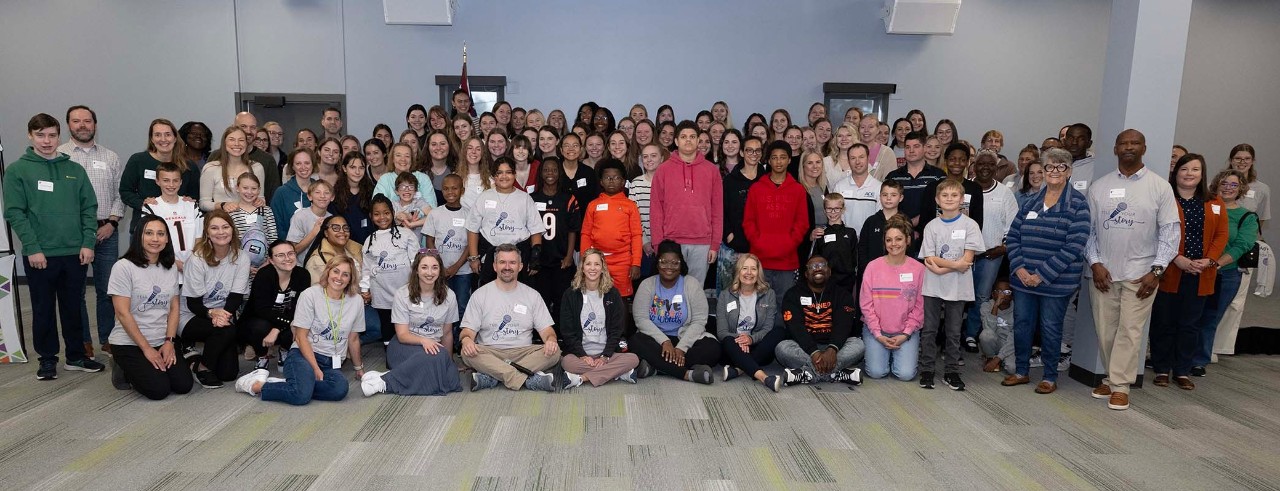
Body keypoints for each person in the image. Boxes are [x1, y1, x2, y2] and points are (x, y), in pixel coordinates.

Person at [4, 113, 105, 379]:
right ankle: (47, 359)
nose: (46, 141)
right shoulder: (18, 170)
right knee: (43, 309)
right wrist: (32, 247)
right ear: (30, 136)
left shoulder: (74, 169)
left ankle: (75, 356)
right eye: (40, 135)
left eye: (51, 135)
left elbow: (89, 208)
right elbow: (15, 212)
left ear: (58, 136)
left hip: (75, 253)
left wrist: (87, 243)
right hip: (40, 255)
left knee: (74, 307)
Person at [1085, 129, 1180, 411]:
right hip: (1104, 273)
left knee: (1130, 330)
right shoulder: (1099, 187)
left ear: (1144, 148)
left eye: (1134, 143)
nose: (1129, 147)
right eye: (1124, 143)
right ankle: (1111, 377)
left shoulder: (1160, 187)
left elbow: (1170, 232)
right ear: (1115, 149)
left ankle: (1120, 386)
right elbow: (1087, 232)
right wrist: (1095, 263)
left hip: (1141, 273)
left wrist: (1158, 269)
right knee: (1106, 331)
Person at [1003, 147, 1091, 394]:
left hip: (1056, 282)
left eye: (1060, 167)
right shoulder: (1030, 201)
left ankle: (1050, 376)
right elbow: (1013, 237)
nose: (1054, 171)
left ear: (1069, 171)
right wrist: (1020, 269)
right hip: (1023, 280)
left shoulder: (1078, 204)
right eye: (1049, 167)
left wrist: (1041, 274)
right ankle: (1021, 371)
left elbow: (1075, 245)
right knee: (1022, 325)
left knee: (1051, 327)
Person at [235, 255, 366, 404]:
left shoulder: (356, 301)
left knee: (339, 390)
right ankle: (257, 385)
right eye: (336, 271)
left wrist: (358, 367)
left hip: (331, 361)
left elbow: (353, 338)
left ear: (351, 278)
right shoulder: (310, 295)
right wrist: (315, 368)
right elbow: (301, 337)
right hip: (303, 355)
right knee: (300, 396)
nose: (339, 278)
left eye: (345, 274)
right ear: (328, 272)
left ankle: (296, 383)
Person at [1150, 153, 1228, 391]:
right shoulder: (1166, 199)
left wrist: (1209, 260)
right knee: (1164, 322)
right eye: (1184, 169)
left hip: (1201, 273)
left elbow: (1221, 235)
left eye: (1195, 169)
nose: (1189, 174)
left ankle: (1182, 370)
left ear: (1202, 174)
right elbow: (1155, 233)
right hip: (1171, 270)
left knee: (1190, 325)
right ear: (1176, 172)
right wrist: (1177, 259)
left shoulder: (1214, 202)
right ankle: (1162, 368)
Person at [60, 105, 124, 358]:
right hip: (72, 234)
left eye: (87, 121)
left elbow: (120, 194)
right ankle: (82, 341)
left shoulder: (110, 157)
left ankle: (109, 338)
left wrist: (113, 222)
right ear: (68, 125)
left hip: (106, 230)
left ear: (95, 124)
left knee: (108, 289)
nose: (82, 125)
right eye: (76, 121)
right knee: (74, 291)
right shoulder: (59, 156)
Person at [105, 215, 190, 397]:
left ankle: (147, 366)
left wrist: (169, 342)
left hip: (160, 338)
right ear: (139, 236)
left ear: (167, 239)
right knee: (158, 390)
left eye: (161, 234)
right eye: (149, 233)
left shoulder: (170, 267)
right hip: (129, 341)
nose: (155, 239)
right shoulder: (123, 267)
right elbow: (122, 313)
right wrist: (146, 349)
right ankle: (121, 366)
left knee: (183, 385)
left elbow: (174, 308)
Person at [360, 251, 463, 396]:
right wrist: (424, 341)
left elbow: (446, 333)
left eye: (434, 267)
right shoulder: (402, 294)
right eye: (424, 267)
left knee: (452, 381)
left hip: (435, 349)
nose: (429, 272)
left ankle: (389, 375)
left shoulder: (449, 295)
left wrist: (448, 360)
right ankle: (384, 382)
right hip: (405, 346)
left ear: (440, 270)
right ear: (416, 270)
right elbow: (402, 335)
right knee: (437, 363)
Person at [459, 244, 559, 392]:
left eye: (512, 262)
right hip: (490, 351)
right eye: (502, 262)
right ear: (494, 266)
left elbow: (548, 332)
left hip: (523, 352)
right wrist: (467, 340)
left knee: (555, 353)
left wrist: (551, 340)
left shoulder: (532, 295)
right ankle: (527, 378)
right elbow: (466, 333)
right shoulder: (480, 295)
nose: (507, 267)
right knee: (466, 353)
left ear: (520, 266)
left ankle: (493, 375)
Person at [917, 179, 985, 391]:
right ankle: (927, 369)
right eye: (944, 196)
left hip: (958, 286)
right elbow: (929, 257)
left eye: (954, 196)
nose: (949, 199)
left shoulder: (970, 225)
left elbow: (968, 259)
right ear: (937, 200)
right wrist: (953, 265)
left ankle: (952, 371)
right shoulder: (931, 226)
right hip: (933, 285)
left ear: (962, 200)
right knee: (929, 329)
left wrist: (943, 267)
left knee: (954, 331)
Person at [629, 240, 719, 384]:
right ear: (657, 263)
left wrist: (681, 348)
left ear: (681, 264)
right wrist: (664, 341)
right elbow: (641, 319)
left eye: (674, 263)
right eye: (663, 262)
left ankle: (656, 368)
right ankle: (687, 374)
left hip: (684, 337)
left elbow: (699, 321)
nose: (669, 267)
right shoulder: (647, 285)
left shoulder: (691, 284)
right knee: (635, 342)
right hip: (656, 340)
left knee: (713, 348)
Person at [179, 210, 251, 388]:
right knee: (227, 331)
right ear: (207, 233)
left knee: (228, 374)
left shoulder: (241, 257)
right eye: (215, 228)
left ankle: (193, 357)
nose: (221, 232)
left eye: (225, 227)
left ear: (232, 229)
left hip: (223, 315)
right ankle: (201, 367)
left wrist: (223, 315)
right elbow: (193, 303)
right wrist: (212, 314)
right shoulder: (196, 259)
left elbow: (236, 296)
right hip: (191, 315)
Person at [1196, 170, 1257, 376]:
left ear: (1241, 189)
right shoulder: (1205, 207)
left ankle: (1198, 360)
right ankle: (1178, 356)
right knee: (1188, 315)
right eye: (1224, 183)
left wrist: (1216, 263)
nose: (1228, 187)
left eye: (1234, 184)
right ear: (1216, 184)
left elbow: (1242, 245)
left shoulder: (1246, 217)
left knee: (1210, 318)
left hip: (1226, 274)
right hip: (1196, 270)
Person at [650, 121, 723, 285]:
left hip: (702, 242)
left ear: (698, 140)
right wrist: (658, 244)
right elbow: (656, 210)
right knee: (671, 291)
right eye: (683, 137)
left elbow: (717, 210)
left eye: (692, 137)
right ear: (676, 141)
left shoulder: (711, 171)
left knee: (695, 292)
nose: (688, 140)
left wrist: (714, 244)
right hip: (671, 242)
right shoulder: (663, 170)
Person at [1213, 144, 1267, 358]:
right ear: (1231, 159)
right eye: (1238, 157)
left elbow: (1260, 222)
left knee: (1234, 304)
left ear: (1252, 161)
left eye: (1246, 158)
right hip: (1215, 255)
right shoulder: (1216, 188)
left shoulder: (1262, 189)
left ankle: (1221, 346)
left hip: (1240, 253)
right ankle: (1208, 345)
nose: (1242, 161)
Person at [775, 255, 864, 385]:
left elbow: (843, 325)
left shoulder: (842, 294)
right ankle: (835, 374)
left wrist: (832, 349)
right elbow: (795, 327)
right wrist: (814, 352)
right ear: (806, 274)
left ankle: (808, 374)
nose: (817, 269)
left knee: (858, 344)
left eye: (822, 265)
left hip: (835, 347)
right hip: (805, 348)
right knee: (782, 348)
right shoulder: (793, 294)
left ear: (829, 271)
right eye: (812, 267)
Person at [962, 151, 1019, 352]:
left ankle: (971, 334)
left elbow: (1013, 225)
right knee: (961, 294)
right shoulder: (965, 188)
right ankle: (955, 333)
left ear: (996, 168)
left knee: (982, 296)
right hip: (964, 253)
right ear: (974, 166)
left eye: (990, 164)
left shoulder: (1004, 193)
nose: (985, 167)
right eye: (980, 164)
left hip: (991, 255)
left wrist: (1003, 248)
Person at [559, 249, 640, 388]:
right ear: (582, 268)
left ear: (602, 268)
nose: (592, 268)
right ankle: (618, 374)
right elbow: (567, 331)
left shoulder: (612, 294)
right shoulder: (571, 294)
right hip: (581, 356)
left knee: (633, 359)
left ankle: (581, 378)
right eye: (588, 264)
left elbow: (617, 330)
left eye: (597, 264)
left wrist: (605, 356)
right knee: (566, 362)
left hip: (607, 355)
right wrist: (583, 355)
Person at [860, 215, 925, 381]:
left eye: (898, 239)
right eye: (889, 240)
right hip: (876, 331)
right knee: (876, 372)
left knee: (905, 374)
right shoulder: (873, 267)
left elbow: (920, 307)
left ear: (908, 240)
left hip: (905, 332)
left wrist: (906, 334)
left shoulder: (918, 269)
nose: (893, 244)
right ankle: (882, 352)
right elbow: (866, 305)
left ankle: (899, 351)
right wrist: (877, 334)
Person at [744, 140, 810, 300]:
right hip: (760, 259)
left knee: (785, 304)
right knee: (759, 302)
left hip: (787, 260)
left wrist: (789, 243)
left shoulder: (798, 190)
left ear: (789, 160)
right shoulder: (756, 188)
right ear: (768, 160)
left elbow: (802, 223)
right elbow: (748, 221)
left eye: (782, 157)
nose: (778, 161)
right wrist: (759, 242)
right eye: (774, 157)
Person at [466, 157, 547, 286]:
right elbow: (472, 229)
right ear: (494, 176)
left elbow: (536, 230)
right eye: (499, 173)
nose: (504, 176)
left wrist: (535, 258)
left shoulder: (525, 198)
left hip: (518, 257)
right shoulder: (484, 197)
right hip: (490, 257)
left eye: (508, 172)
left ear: (514, 175)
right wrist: (474, 257)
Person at [715, 254, 784, 391]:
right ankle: (764, 378)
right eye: (744, 268)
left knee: (779, 332)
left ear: (759, 272)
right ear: (738, 271)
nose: (749, 273)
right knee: (728, 340)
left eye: (753, 269)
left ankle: (739, 369)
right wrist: (741, 340)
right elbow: (722, 332)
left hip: (757, 347)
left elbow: (767, 328)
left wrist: (751, 339)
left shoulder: (768, 294)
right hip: (733, 349)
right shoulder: (725, 295)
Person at [242, 240, 310, 372]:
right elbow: (261, 309)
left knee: (298, 325)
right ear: (272, 260)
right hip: (261, 318)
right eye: (280, 255)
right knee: (260, 327)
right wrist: (277, 325)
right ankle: (262, 356)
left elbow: (299, 306)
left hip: (288, 318)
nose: (287, 258)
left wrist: (277, 328)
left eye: (290, 253)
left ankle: (285, 350)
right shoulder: (264, 275)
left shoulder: (303, 275)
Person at [121, 119, 200, 231]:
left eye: (168, 135)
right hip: (144, 227)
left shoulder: (189, 166)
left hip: (179, 228)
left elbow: (195, 195)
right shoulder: (138, 161)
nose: (163, 139)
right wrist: (143, 204)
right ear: (152, 139)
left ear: (175, 137)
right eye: (157, 135)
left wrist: (189, 200)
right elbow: (125, 191)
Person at [361, 195, 419, 347]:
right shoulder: (369, 241)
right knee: (387, 327)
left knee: (408, 326)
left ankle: (408, 354)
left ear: (393, 213)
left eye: (386, 213)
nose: (382, 217)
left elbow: (416, 262)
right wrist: (364, 289)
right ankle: (390, 356)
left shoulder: (406, 234)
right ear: (371, 216)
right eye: (377, 214)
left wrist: (418, 285)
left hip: (406, 291)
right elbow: (366, 268)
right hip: (381, 294)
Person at [580, 160, 643, 298]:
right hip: (597, 261)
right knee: (596, 296)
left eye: (616, 178)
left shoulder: (630, 206)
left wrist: (636, 263)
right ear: (601, 182)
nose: (611, 181)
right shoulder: (593, 205)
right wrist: (584, 260)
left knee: (621, 299)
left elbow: (636, 235)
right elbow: (586, 234)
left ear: (623, 182)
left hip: (623, 261)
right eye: (607, 178)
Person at [529, 158, 580, 323]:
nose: (550, 173)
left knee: (562, 299)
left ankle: (561, 333)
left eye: (554, 170)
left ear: (560, 173)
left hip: (561, 259)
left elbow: (573, 230)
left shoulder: (569, 198)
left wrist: (569, 256)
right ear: (540, 173)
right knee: (541, 298)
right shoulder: (532, 199)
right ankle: (542, 333)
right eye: (546, 170)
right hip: (541, 261)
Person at [424, 174, 474, 324]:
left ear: (462, 190)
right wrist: (439, 265)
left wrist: (456, 266)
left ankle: (459, 343)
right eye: (446, 189)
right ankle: (442, 340)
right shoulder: (435, 214)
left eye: (454, 188)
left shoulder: (469, 214)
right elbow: (429, 240)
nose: (450, 192)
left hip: (463, 271)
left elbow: (470, 244)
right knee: (440, 305)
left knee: (461, 305)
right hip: (440, 271)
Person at [719, 136, 764, 291]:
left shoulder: (767, 179)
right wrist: (729, 235)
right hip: (734, 248)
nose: (753, 154)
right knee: (730, 293)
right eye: (749, 150)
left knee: (757, 293)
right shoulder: (730, 181)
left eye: (757, 150)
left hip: (761, 247)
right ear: (742, 153)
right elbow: (721, 211)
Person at [142, 162, 203, 272]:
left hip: (193, 267)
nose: (171, 185)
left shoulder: (192, 205)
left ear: (181, 182)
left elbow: (199, 238)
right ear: (157, 181)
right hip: (163, 267)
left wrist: (192, 262)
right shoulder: (150, 208)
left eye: (175, 180)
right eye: (166, 180)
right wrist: (173, 262)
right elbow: (149, 241)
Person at [221, 172, 278, 276]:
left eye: (254, 188)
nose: (249, 192)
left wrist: (267, 263)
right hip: (237, 266)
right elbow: (228, 242)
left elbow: (273, 239)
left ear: (259, 190)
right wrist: (241, 264)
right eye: (245, 188)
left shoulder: (266, 211)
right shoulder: (231, 212)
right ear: (237, 188)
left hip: (264, 267)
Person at [886, 131, 947, 227]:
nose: (911, 150)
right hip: (899, 230)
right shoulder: (893, 177)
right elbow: (887, 205)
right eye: (907, 147)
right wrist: (904, 225)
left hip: (930, 231)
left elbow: (942, 207)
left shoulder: (939, 176)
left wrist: (914, 222)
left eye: (916, 146)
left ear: (924, 148)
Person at [200, 126, 266, 212]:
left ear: (246, 143)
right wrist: (222, 205)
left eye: (241, 140)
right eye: (232, 139)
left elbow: (261, 198)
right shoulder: (211, 169)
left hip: (249, 223)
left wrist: (259, 202)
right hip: (222, 221)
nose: (237, 144)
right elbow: (203, 203)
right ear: (224, 143)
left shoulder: (257, 168)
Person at [858, 181, 908, 285]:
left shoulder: (906, 222)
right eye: (885, 195)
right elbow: (862, 250)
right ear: (880, 197)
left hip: (898, 274)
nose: (888, 198)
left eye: (893, 195)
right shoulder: (871, 222)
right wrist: (867, 270)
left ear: (901, 198)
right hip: (873, 275)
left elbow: (909, 250)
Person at [630, 144, 665, 279]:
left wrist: (662, 241)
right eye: (645, 157)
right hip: (643, 244)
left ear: (661, 158)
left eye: (653, 156)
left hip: (664, 241)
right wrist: (644, 241)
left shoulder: (668, 182)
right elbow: (634, 216)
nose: (649, 160)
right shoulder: (636, 183)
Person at [830, 143, 882, 233]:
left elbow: (880, 220)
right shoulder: (839, 187)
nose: (857, 162)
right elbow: (834, 216)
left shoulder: (879, 187)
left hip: (869, 241)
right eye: (853, 158)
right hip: (845, 242)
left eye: (861, 157)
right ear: (848, 161)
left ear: (868, 159)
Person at [812, 193, 858, 292]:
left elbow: (855, 257)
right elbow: (815, 258)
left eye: (837, 208)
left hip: (847, 281)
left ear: (843, 209)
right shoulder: (820, 233)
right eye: (829, 209)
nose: (833, 212)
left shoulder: (850, 233)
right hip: (826, 281)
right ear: (824, 210)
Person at [978, 276, 1016, 376]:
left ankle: (997, 361)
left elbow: (1015, 338)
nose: (1002, 295)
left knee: (1012, 369)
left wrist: (999, 357)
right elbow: (988, 329)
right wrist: (995, 306)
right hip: (994, 341)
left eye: (1007, 292)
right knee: (986, 334)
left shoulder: (1017, 309)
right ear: (993, 294)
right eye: (999, 291)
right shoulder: (986, 306)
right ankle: (990, 357)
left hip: (1009, 344)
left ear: (1012, 295)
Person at [286, 180, 334, 254]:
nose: (322, 196)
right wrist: (314, 232)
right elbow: (293, 251)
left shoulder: (332, 219)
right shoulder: (300, 217)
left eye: (326, 193)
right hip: (302, 264)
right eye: (317, 192)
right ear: (310, 197)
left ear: (332, 197)